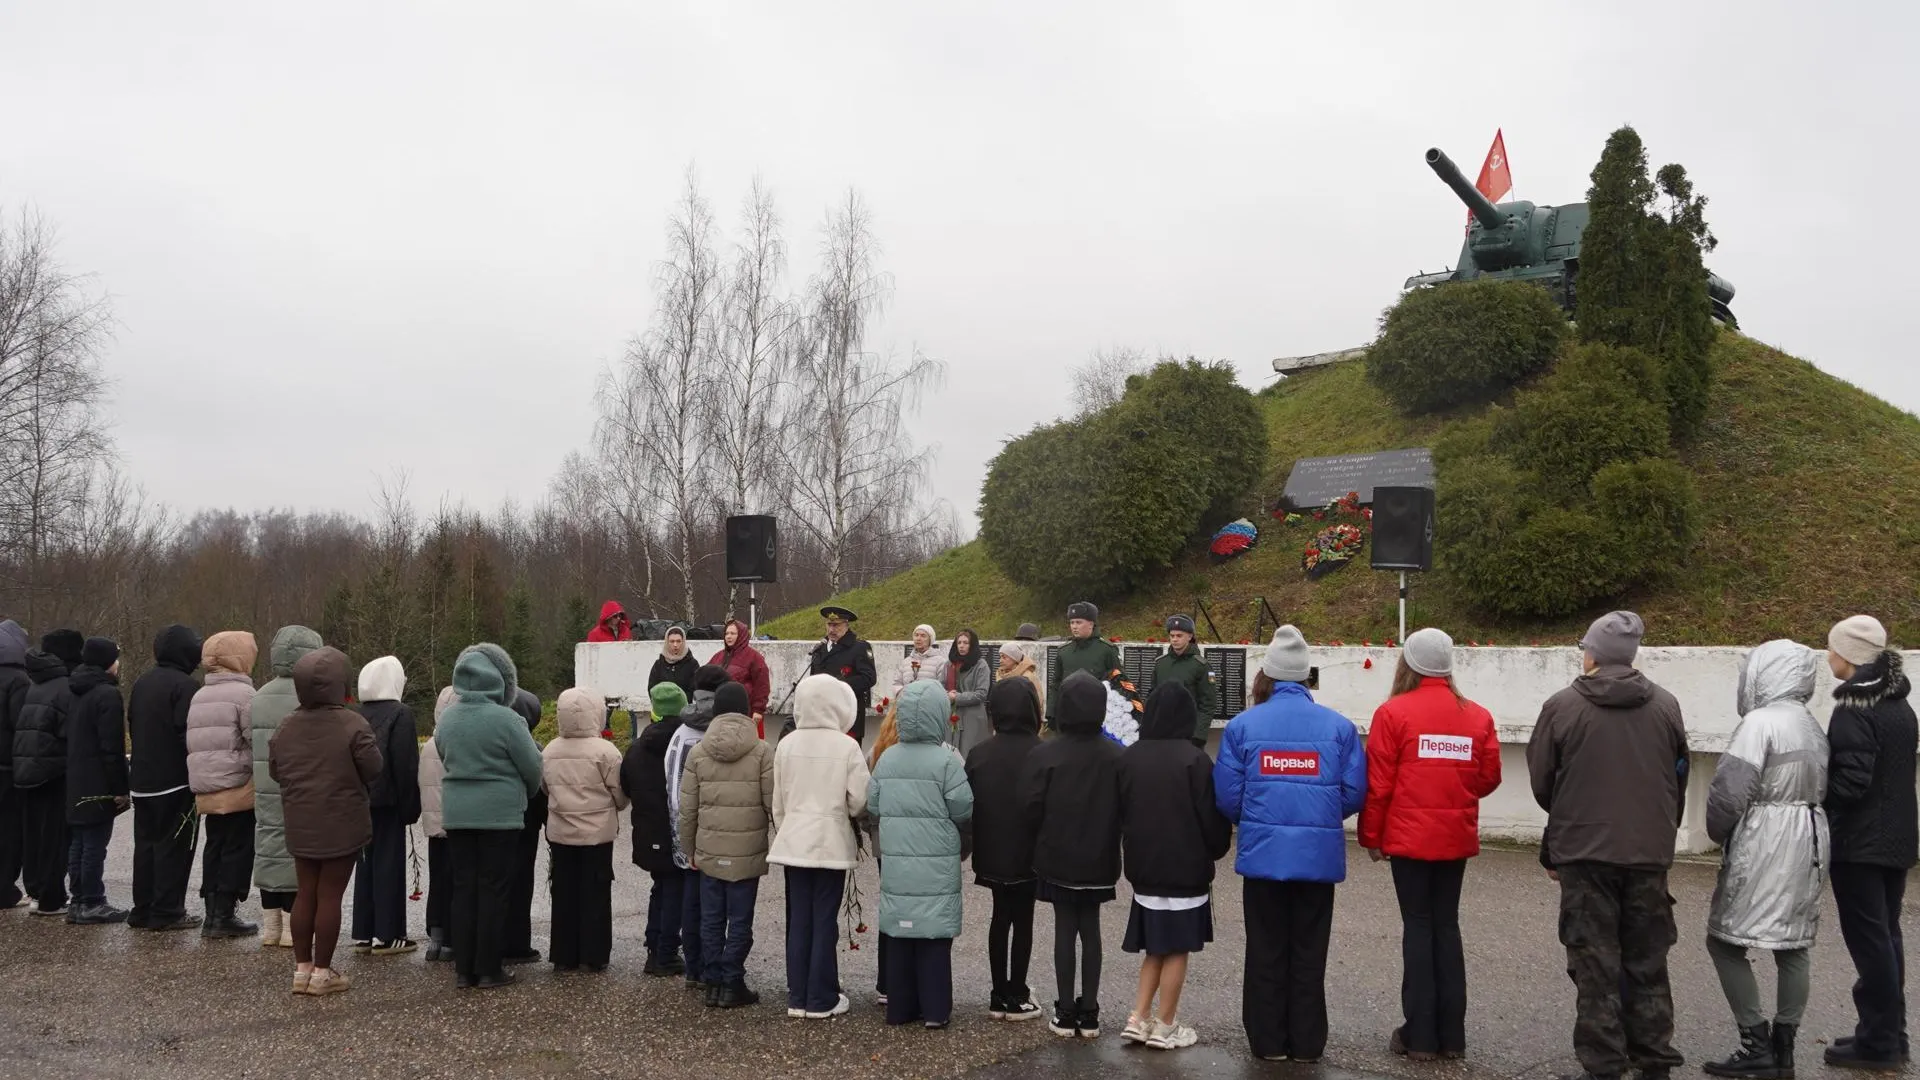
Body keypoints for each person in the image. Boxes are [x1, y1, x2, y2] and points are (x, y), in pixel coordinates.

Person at [1527, 611, 1688, 1080]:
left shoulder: (1562, 706)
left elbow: (1543, 781)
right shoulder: (1665, 705)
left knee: (1594, 962)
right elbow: (1677, 776)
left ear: (1593, 653)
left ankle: (1604, 1063)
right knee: (1648, 959)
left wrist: (1564, 826)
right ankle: (1654, 1055)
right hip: (1648, 851)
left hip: (1584, 850)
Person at [1215, 624, 1367, 1064]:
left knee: (1264, 949)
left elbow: (1227, 795)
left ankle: (1266, 1042)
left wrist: (1260, 818)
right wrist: (1317, 817)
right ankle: (1305, 1043)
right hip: (1317, 860)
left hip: (1263, 857)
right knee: (1308, 950)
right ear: (1306, 678)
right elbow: (1354, 792)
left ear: (1266, 676)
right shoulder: (1338, 728)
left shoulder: (1243, 726)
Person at [1357, 628, 1502, 1062]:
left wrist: (1372, 836)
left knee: (1418, 928)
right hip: (1454, 838)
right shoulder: (1476, 715)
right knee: (1446, 926)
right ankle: (1451, 1037)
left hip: (1407, 841)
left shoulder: (1393, 713)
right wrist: (1454, 792)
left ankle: (1419, 1035)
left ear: (1409, 664)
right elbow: (1488, 776)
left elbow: (1379, 785)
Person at [1701, 641, 1829, 1079]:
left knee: (1725, 941)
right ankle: (1784, 1046)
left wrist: (1716, 830)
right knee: (1794, 945)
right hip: (1809, 836)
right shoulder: (1812, 724)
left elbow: (1730, 791)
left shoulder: (1758, 723)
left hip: (1765, 836)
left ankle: (1754, 1041)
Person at [1820, 615, 1917, 1071]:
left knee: (1871, 941)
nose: (1829, 657)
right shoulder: (1900, 705)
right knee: (1887, 936)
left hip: (1861, 843)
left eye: (1833, 649)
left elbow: (1852, 782)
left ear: (1851, 656)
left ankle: (1879, 1044)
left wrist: (1821, 798)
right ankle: (1887, 1035)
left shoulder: (1855, 707)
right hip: (1897, 839)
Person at [1119, 682, 1234, 1051]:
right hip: (1186, 870)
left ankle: (1138, 1017)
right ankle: (1166, 1024)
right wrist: (1216, 849)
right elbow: (1210, 819)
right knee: (1177, 948)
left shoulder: (1131, 756)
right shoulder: (1195, 759)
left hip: (1144, 868)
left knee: (1154, 946)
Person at [269, 646, 382, 996]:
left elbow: (276, 771)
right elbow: (374, 767)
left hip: (300, 819)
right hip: (341, 820)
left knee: (306, 892)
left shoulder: (286, 725)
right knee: (330, 895)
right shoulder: (352, 723)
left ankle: (301, 970)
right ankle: (322, 972)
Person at [438, 643, 544, 990]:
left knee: (463, 888)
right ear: (500, 680)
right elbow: (533, 767)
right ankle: (489, 968)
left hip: (457, 814)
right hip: (500, 816)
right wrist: (523, 794)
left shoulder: (448, 718)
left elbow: (443, 754)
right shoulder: (509, 719)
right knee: (494, 890)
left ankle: (464, 969)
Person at [869, 680, 973, 1029]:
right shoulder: (946, 761)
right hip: (935, 858)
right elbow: (962, 807)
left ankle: (899, 1008)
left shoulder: (887, 759)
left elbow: (873, 804)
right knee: (933, 936)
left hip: (898, 856)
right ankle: (935, 1010)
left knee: (900, 931)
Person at [1026, 670, 1124, 1038]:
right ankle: (1090, 1011)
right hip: (1100, 856)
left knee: (1065, 929)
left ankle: (1065, 1009)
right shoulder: (1116, 755)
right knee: (1092, 930)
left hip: (1057, 854)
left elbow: (1031, 806)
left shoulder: (1046, 752)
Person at [768, 674, 871, 1019]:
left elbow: (778, 802)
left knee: (799, 918)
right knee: (824, 919)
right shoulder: (846, 746)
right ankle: (821, 995)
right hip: (830, 841)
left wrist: (791, 829)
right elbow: (859, 801)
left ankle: (797, 994)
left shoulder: (786, 744)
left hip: (794, 840)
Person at [679, 681, 774, 1008]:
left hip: (708, 851)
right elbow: (772, 804)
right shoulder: (762, 751)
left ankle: (713, 982)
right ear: (747, 709)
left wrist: (690, 850)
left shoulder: (699, 751)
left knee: (711, 919)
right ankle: (732, 981)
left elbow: (687, 809)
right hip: (745, 853)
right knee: (740, 920)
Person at [966, 678, 1045, 1022]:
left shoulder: (980, 753)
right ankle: (1018, 991)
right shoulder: (1043, 753)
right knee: (1023, 919)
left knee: (999, 918)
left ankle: (998, 993)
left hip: (992, 849)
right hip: (1031, 852)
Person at [542, 688, 628, 973]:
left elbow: (545, 788)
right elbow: (619, 792)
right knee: (596, 892)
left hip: (562, 831)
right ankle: (594, 954)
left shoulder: (551, 750)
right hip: (596, 833)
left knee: (564, 893)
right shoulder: (606, 751)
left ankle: (564, 955)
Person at [127, 623, 204, 932]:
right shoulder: (185, 686)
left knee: (145, 846)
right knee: (174, 847)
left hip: (143, 780)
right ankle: (168, 910)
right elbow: (188, 734)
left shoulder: (142, 682)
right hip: (174, 781)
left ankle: (142, 908)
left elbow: (132, 722)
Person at [186, 631, 260, 939]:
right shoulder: (244, 696)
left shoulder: (200, 695)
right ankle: (225, 913)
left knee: (214, 845)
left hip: (206, 785)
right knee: (237, 847)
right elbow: (255, 738)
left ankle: (212, 911)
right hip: (237, 783)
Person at [253, 625, 324, 947]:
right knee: (299, 851)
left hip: (265, 783)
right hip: (302, 785)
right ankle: (292, 925)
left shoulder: (259, 695)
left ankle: (271, 927)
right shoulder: (310, 696)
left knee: (269, 844)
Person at [350, 656, 420, 955]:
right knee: (389, 865)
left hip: (359, 800)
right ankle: (390, 933)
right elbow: (405, 764)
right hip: (388, 801)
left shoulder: (355, 714)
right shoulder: (400, 714)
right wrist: (410, 807)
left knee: (365, 864)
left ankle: (364, 932)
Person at [665, 664, 729, 990]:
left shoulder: (682, 732)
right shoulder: (718, 733)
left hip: (685, 828)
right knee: (713, 904)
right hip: (712, 829)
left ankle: (694, 967)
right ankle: (711, 966)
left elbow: (673, 787)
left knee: (692, 899)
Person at [14, 629, 83, 917]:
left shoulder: (34, 683)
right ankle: (52, 897)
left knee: (35, 832)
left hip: (28, 767)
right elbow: (70, 732)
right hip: (55, 768)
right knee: (56, 835)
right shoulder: (66, 687)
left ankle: (37, 889)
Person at [624, 681, 690, 976]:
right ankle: (665, 952)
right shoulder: (684, 745)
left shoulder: (637, 748)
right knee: (674, 889)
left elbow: (626, 785)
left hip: (648, 831)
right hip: (674, 830)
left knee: (660, 886)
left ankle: (654, 946)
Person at [66, 636, 131, 925]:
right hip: (98, 782)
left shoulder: (75, 690)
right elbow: (111, 747)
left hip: (76, 777)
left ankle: (78, 899)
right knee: (94, 843)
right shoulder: (106, 695)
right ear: (107, 662)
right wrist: (120, 788)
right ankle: (92, 900)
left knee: (79, 842)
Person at [505, 685, 546, 965]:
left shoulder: (493, 741)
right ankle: (517, 943)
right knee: (521, 884)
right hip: (525, 825)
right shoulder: (536, 750)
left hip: (497, 821)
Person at [419, 687, 455, 961]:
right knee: (457, 881)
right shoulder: (458, 741)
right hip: (456, 823)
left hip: (435, 822)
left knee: (438, 879)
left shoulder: (430, 744)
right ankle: (452, 938)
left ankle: (435, 936)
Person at [807, 606, 877, 742]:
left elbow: (869, 678)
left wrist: (838, 685)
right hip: (822, 715)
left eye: (836, 625)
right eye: (829, 624)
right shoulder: (819, 649)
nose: (832, 629)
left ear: (846, 625)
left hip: (847, 715)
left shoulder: (859, 648)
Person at [0, 620, 31, 910]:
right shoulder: (18, 680)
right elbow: (22, 726)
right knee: (10, 831)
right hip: (8, 767)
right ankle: (5, 888)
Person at [1152, 616, 1219, 747]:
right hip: (1162, 733)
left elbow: (1208, 703)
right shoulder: (1160, 664)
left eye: (1179, 635)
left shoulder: (1202, 666)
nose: (1174, 639)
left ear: (1190, 636)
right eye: (1172, 636)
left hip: (1189, 735)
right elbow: (1153, 696)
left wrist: (1198, 735)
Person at [1049, 602, 1119, 725]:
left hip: (1096, 716)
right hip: (1067, 716)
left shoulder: (1106, 650)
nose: (1074, 627)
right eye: (1072, 622)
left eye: (1079, 622)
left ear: (1091, 624)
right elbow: (1056, 683)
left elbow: (1118, 683)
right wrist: (1051, 713)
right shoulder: (1064, 651)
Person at [715, 618, 770, 739]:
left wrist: (758, 710)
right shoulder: (718, 656)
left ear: (742, 635)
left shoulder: (754, 657)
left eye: (733, 633)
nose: (728, 636)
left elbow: (762, 685)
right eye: (726, 633)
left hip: (747, 714)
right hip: (721, 715)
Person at [945, 629, 991, 757]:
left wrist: (957, 697)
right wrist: (946, 695)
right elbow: (940, 686)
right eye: (959, 642)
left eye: (966, 642)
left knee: (970, 755)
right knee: (949, 755)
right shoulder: (949, 665)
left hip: (972, 718)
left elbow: (981, 693)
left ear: (972, 645)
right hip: (951, 716)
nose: (961, 645)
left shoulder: (981, 665)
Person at [891, 624, 947, 701]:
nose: (918, 638)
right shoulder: (905, 662)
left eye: (923, 636)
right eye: (916, 635)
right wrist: (903, 694)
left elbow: (942, 687)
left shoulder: (940, 662)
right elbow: (897, 684)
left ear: (930, 640)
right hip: (907, 705)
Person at [650, 626, 700, 702]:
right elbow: (652, 688)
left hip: (685, 709)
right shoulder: (659, 664)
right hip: (663, 708)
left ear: (683, 642)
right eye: (672, 641)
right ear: (667, 642)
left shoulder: (692, 664)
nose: (675, 645)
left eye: (678, 641)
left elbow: (695, 689)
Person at [995, 641, 1046, 717]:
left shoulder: (1028, 677)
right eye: (1000, 657)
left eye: (1004, 657)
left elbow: (1038, 702)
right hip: (1003, 721)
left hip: (1023, 722)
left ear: (1014, 659)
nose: (1000, 660)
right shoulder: (1000, 675)